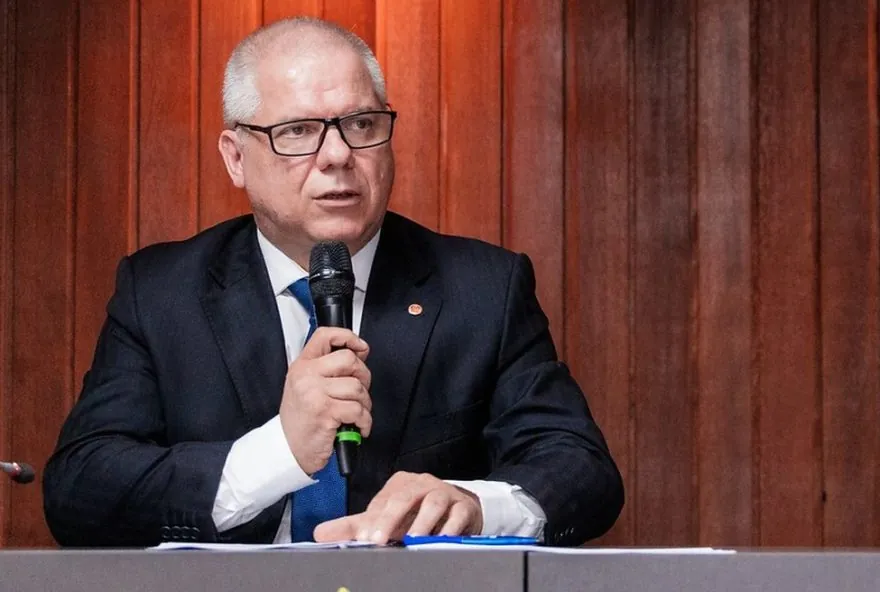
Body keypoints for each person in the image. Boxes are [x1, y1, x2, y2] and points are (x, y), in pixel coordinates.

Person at [42, 17, 623, 547]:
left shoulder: (484, 289)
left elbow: (580, 468)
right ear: (236, 157)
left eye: (361, 124)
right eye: (298, 131)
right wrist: (279, 452)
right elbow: (79, 489)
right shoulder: (161, 292)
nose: (339, 154)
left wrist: (475, 505)